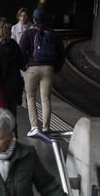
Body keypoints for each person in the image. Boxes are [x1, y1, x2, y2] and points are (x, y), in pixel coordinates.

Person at [18, 8, 65, 137]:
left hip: (32, 69)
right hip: (49, 69)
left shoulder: (28, 33)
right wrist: (55, 69)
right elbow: (62, 53)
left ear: (33, 19)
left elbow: (21, 52)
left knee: (31, 97)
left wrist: (24, 67)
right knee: (46, 99)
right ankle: (46, 127)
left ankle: (34, 127)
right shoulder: (53, 34)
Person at [0, 18, 24, 129]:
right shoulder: (14, 45)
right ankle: (14, 139)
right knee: (12, 117)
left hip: (2, 89)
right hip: (15, 87)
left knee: (2, 119)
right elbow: (22, 63)